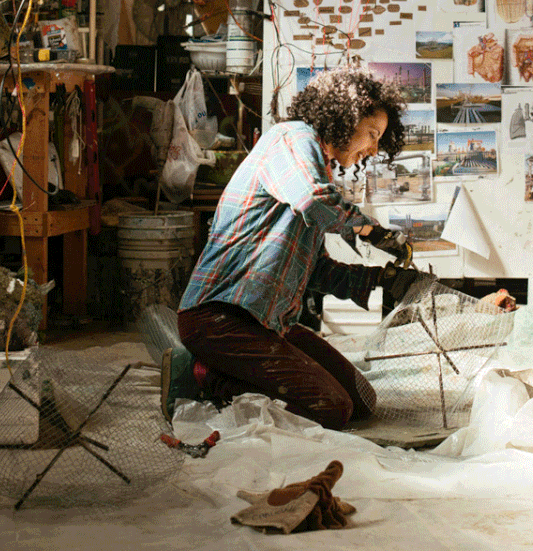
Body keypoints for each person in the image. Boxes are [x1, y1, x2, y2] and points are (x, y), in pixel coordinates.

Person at [161, 65, 423, 430]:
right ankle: (202, 374)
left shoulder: (316, 168)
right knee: (332, 409)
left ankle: (226, 370)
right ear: (347, 117)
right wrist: (371, 231)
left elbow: (316, 270)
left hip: (268, 320)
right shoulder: (292, 140)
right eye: (372, 134)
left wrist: (381, 279)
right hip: (219, 317)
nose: (374, 148)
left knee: (361, 400)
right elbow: (315, 201)